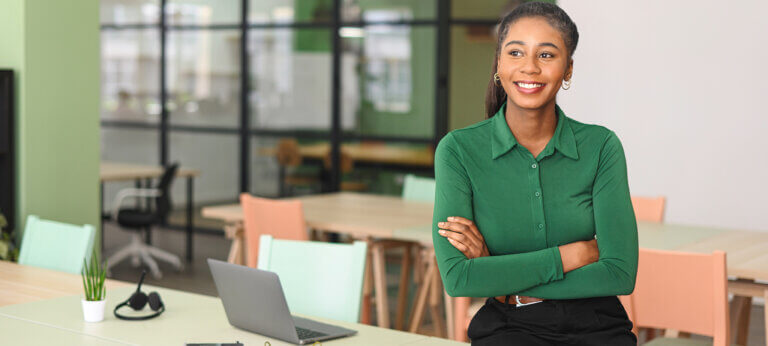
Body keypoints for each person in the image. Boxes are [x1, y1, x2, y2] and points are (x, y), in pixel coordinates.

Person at [432, 2, 638, 345]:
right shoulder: (458, 151)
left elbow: (619, 273)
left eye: (546, 55)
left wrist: (497, 279)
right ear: (498, 63)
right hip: (508, 328)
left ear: (568, 69)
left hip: (599, 327)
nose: (529, 68)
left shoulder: (601, 146)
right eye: (515, 52)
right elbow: (458, 279)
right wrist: (572, 255)